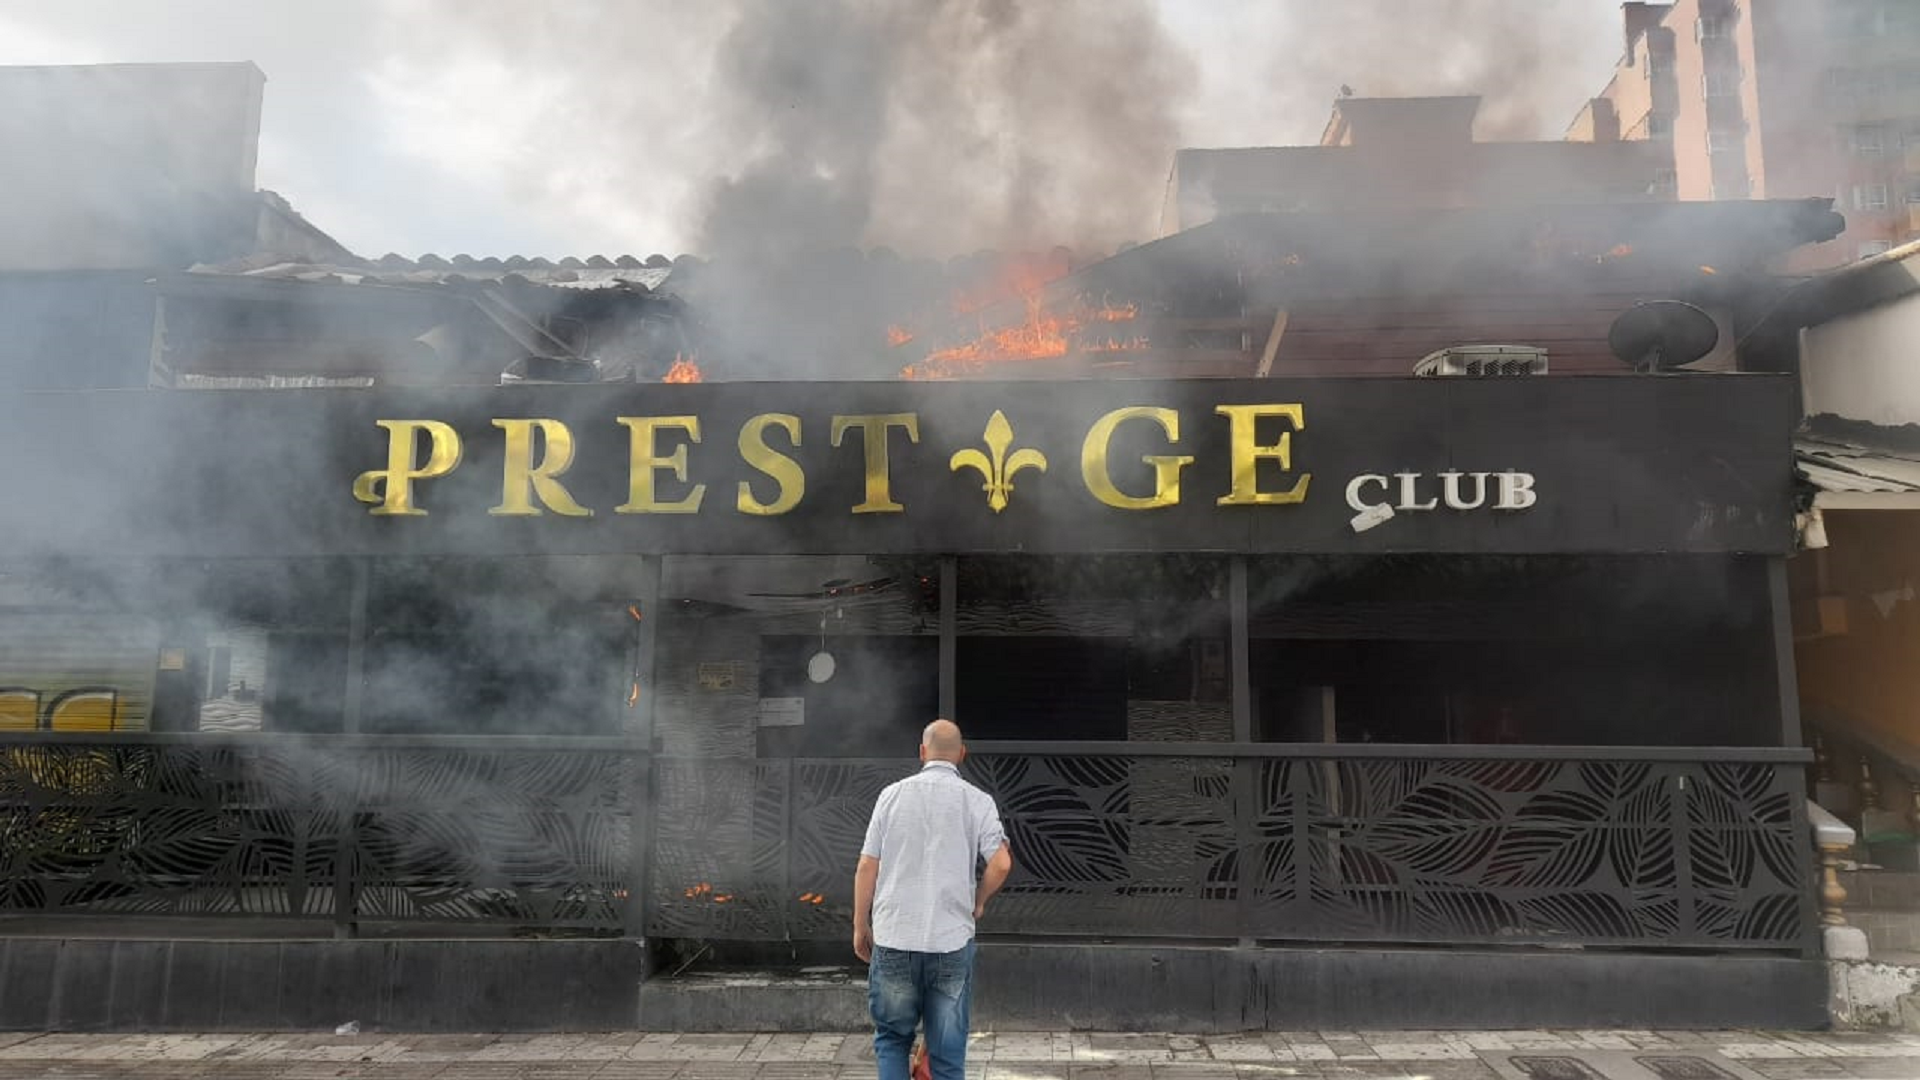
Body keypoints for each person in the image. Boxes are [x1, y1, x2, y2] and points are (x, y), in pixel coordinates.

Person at [853, 719, 1013, 1080]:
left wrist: (860, 926)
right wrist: (979, 900)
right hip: (950, 941)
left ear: (922, 752)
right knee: (946, 1054)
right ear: (962, 755)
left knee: (892, 1040)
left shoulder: (891, 795)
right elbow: (1001, 863)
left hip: (894, 938)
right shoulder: (977, 801)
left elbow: (866, 866)